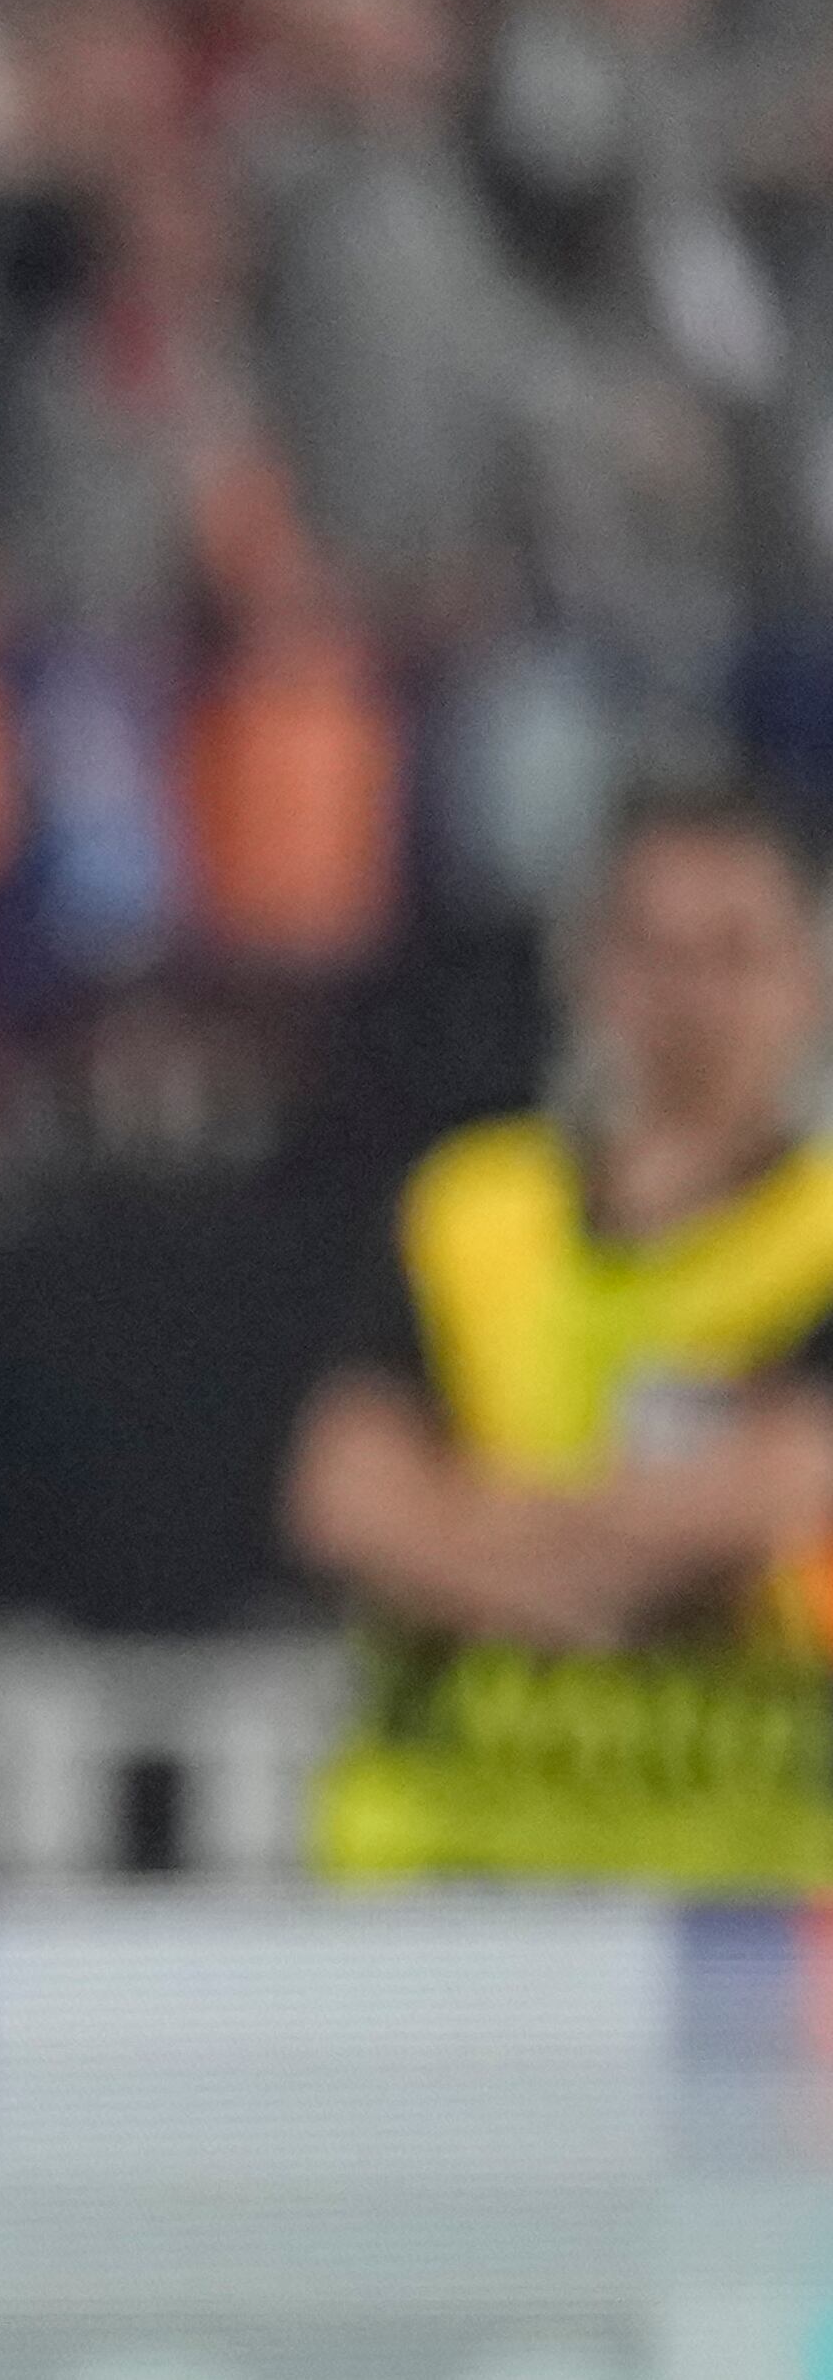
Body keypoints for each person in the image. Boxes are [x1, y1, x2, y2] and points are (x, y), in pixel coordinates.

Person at [289, 785, 833, 1888]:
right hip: (448, 1862)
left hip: (744, 1883)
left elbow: (788, 1486)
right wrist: (633, 1557)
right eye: (652, 952)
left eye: (732, 954)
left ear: (807, 977)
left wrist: (475, 1526)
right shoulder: (469, 1208)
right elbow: (343, 1496)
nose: (689, 1000)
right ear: (588, 968)